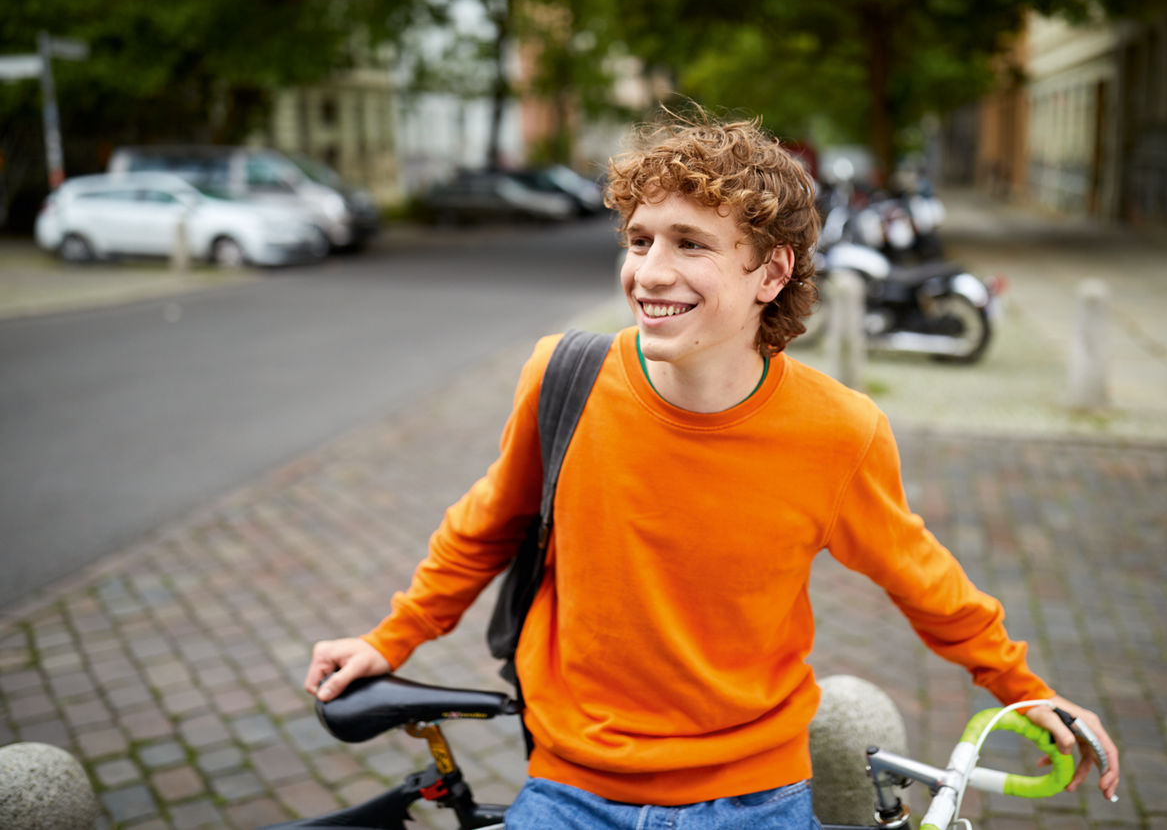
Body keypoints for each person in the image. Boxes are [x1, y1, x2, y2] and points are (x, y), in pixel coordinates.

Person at [305, 109, 1120, 828]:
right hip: (572, 789)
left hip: (755, 798)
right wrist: (393, 637)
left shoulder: (839, 432)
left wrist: (1022, 687)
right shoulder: (564, 378)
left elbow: (928, 585)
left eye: (690, 244)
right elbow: (483, 526)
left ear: (771, 273)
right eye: (639, 239)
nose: (650, 272)